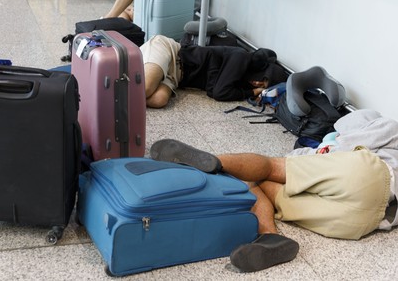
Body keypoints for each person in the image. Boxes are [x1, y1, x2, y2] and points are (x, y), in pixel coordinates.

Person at [149, 108, 398, 272]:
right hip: (367, 222)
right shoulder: (309, 153)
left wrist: (331, 144)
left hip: (370, 176)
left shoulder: (374, 123)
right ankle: (271, 238)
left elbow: (348, 123)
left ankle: (217, 161)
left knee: (267, 168)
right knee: (259, 183)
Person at [141, 35, 288, 108]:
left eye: (262, 85)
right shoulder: (241, 57)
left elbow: (216, 90)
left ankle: (126, 96)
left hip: (176, 77)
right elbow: (219, 92)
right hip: (171, 52)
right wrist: (253, 92)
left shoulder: (241, 79)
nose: (257, 82)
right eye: (261, 79)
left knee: (159, 100)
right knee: (146, 89)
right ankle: (119, 102)